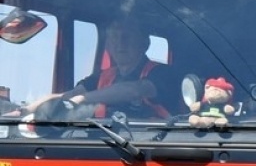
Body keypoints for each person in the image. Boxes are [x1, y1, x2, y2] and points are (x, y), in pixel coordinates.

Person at [29, 20, 180, 121]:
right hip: (104, 145)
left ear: (144, 43)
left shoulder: (162, 73)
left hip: (152, 149)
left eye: (127, 36)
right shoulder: (103, 76)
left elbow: (134, 90)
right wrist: (29, 109)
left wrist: (83, 99)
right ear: (108, 45)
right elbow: (70, 95)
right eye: (114, 37)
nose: (120, 43)